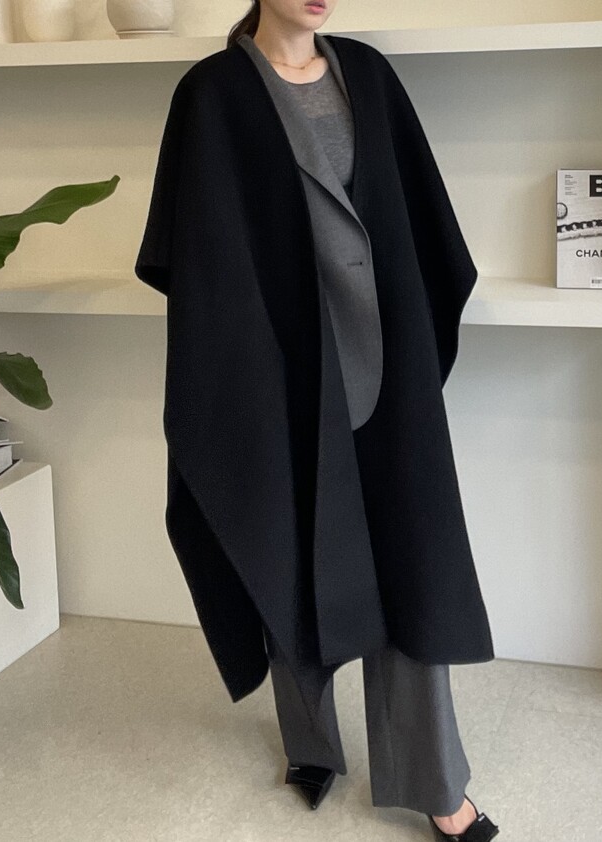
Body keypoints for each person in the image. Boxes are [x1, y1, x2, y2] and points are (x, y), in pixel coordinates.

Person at [139, 1, 499, 840]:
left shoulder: (366, 74)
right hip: (279, 368)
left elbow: (418, 216)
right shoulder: (212, 94)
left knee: (411, 564)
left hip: (388, 365)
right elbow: (196, 248)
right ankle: (312, 744)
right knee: (288, 546)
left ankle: (440, 786)